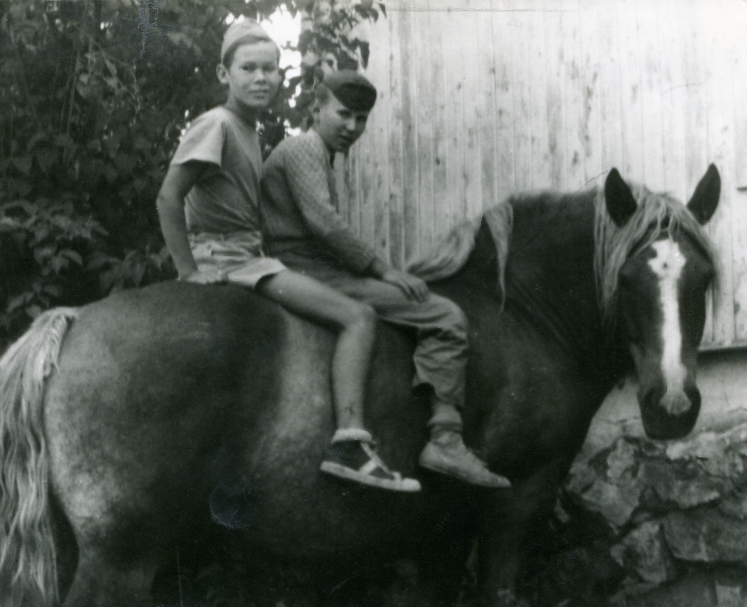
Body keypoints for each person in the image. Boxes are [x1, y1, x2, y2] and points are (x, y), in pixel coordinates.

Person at [156, 22, 420, 493]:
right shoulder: (215, 124)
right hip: (231, 259)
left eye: (270, 69)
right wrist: (189, 271)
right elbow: (168, 197)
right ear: (224, 73)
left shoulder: (247, 130)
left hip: (247, 253)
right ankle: (349, 444)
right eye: (248, 69)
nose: (262, 78)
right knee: (358, 316)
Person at [260, 70, 511, 489]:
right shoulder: (304, 149)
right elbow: (324, 224)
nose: (352, 127)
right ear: (315, 109)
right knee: (446, 316)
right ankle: (445, 439)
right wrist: (384, 270)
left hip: (308, 268)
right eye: (343, 114)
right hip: (312, 273)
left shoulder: (316, 154)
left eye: (361, 119)